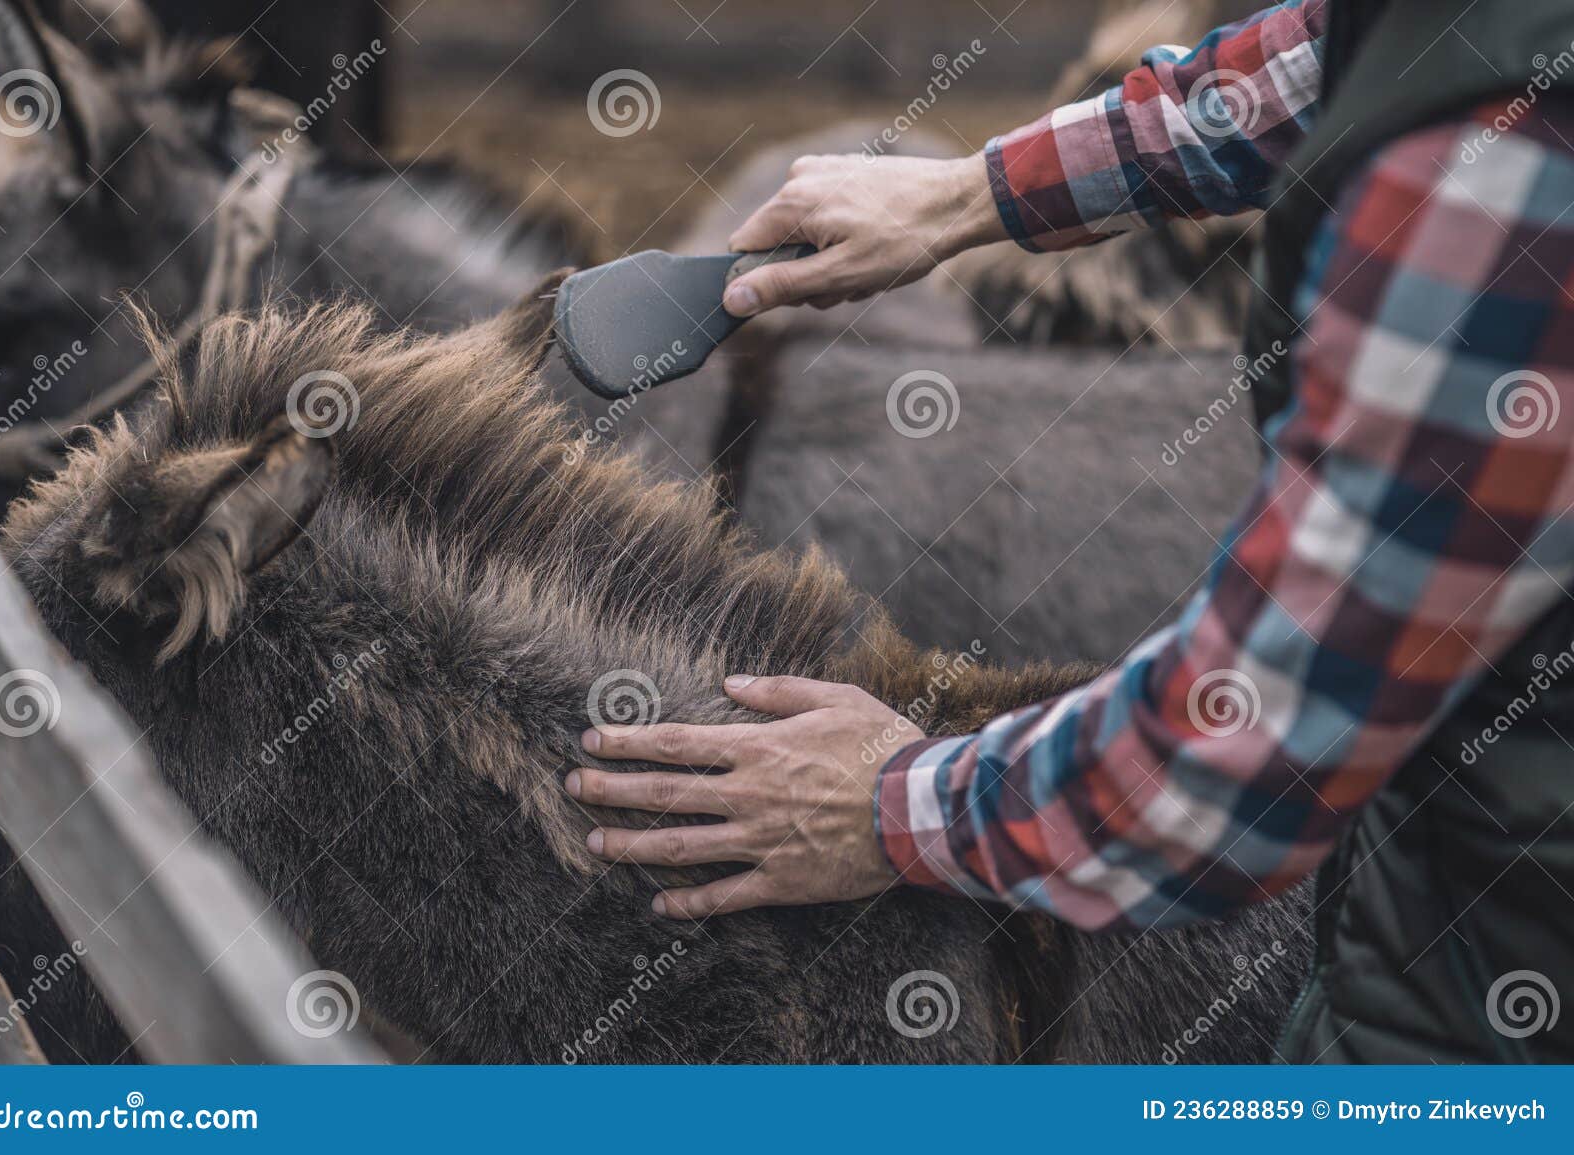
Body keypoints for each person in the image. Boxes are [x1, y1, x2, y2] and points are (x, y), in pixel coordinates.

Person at [563, 0, 1574, 1061]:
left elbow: (1241, 750)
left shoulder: (1504, 196)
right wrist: (969, 195)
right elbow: (1332, 57)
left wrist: (885, 807)